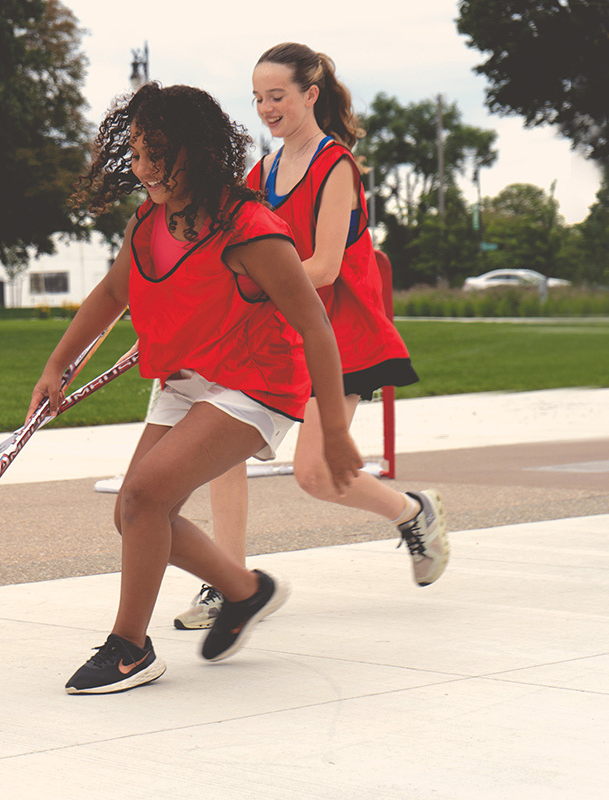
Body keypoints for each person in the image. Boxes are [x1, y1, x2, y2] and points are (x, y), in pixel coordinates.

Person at [29, 82, 363, 695]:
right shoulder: (149, 223)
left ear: (197, 150)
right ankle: (245, 592)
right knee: (131, 511)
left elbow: (315, 323)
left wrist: (335, 430)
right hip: (188, 375)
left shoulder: (249, 229)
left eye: (156, 150)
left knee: (145, 496)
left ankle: (130, 648)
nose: (143, 166)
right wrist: (57, 365)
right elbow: (110, 296)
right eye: (134, 151)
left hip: (257, 380)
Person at [174, 42, 449, 631]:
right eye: (257, 99)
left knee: (317, 476)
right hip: (279, 333)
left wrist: (251, 285)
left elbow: (323, 267)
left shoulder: (336, 166)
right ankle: (229, 583)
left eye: (277, 96)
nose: (266, 108)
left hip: (340, 333)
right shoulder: (262, 172)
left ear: (310, 94)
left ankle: (412, 512)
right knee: (223, 447)